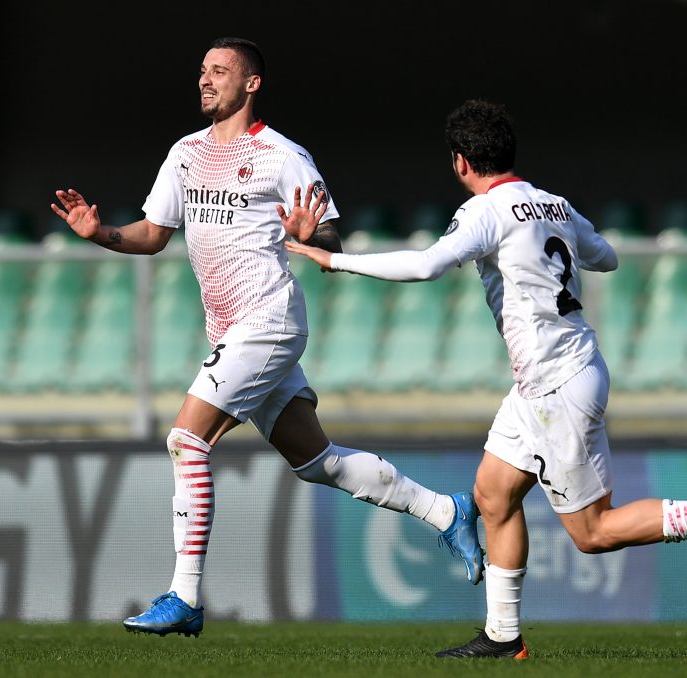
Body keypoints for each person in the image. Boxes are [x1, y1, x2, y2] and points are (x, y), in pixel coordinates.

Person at [286, 99, 687, 660]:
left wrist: (335, 261)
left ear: (461, 162)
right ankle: (504, 637)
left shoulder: (486, 210)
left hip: (557, 383)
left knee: (593, 532)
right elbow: (606, 258)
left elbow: (426, 266)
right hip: (553, 378)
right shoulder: (553, 203)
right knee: (493, 494)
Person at [50, 37, 483, 638]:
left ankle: (185, 597)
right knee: (317, 463)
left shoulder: (282, 156)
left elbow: (329, 239)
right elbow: (153, 234)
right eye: (202, 71)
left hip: (269, 319)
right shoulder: (184, 154)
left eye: (219, 72)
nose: (205, 81)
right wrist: (100, 234)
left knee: (185, 438)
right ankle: (445, 510)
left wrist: (312, 233)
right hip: (233, 327)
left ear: (251, 84)